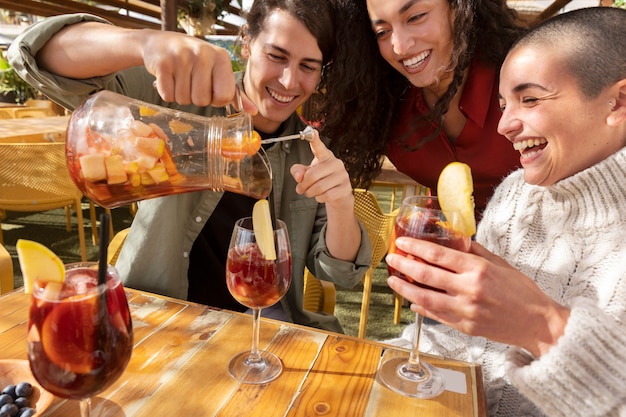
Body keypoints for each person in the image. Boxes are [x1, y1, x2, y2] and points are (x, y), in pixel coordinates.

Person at [8, 0, 372, 333]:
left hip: (260, 324)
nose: (290, 81)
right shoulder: (176, 97)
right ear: (246, 42)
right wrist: (144, 43)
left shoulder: (309, 150)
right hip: (160, 313)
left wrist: (341, 205)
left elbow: (337, 272)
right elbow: (35, 57)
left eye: (308, 67)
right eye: (276, 56)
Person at [384, 6, 626, 416]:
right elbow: (466, 345)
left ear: (618, 101)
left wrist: (544, 328)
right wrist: (378, 362)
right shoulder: (516, 196)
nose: (503, 125)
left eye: (529, 99)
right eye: (503, 103)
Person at [318, 0, 528, 218]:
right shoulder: (383, 105)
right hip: (441, 241)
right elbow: (316, 135)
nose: (399, 46)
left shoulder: (525, 82)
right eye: (382, 32)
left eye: (415, 18)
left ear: (458, 8)